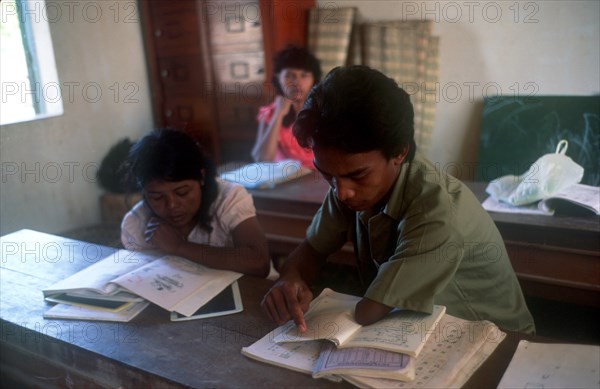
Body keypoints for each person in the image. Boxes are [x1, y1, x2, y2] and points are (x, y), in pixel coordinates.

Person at [260, 66, 535, 334]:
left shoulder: (434, 207)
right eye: (327, 174)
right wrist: (290, 280)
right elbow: (311, 250)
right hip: (421, 327)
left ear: (399, 152)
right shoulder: (346, 186)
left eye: (358, 174)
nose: (342, 192)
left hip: (496, 341)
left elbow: (368, 312)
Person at [121, 129, 270, 278]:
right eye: (157, 197)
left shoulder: (228, 197)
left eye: (182, 192)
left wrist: (179, 246)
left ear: (202, 177)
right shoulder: (135, 223)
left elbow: (259, 262)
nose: (172, 205)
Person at [251, 45, 322, 169]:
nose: (297, 82)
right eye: (290, 75)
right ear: (278, 78)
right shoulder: (270, 112)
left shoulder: (324, 110)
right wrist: (278, 114)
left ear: (314, 79)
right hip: (291, 180)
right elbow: (262, 158)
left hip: (323, 179)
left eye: (304, 75)